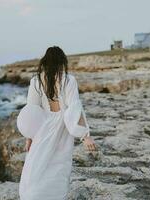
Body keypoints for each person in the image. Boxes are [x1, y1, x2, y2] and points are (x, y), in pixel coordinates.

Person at [18, 46, 96, 200]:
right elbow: (74, 107)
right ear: (62, 61)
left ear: (45, 61)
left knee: (37, 165)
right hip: (63, 127)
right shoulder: (68, 79)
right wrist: (85, 135)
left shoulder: (36, 81)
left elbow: (31, 111)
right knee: (59, 166)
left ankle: (34, 196)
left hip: (43, 128)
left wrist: (29, 137)